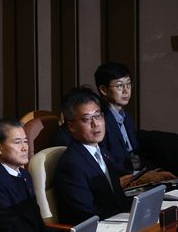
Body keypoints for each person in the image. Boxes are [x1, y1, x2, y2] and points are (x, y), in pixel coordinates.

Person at [54, 86, 131, 225]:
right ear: (71, 126)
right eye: (87, 119)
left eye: (98, 116)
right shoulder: (72, 164)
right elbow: (85, 215)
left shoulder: (103, 152)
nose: (96, 124)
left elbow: (117, 198)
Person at [0, 118, 50, 232]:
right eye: (17, 142)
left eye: (26, 141)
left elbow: (36, 220)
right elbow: (10, 227)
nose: (24, 148)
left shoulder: (24, 174)